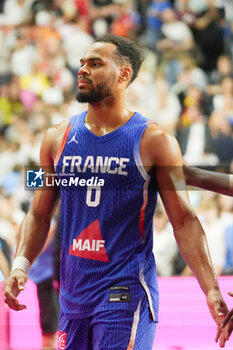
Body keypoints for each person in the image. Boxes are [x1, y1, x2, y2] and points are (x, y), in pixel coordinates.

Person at [3, 34, 230, 349]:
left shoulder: (154, 140)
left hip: (125, 291)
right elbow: (39, 214)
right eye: (82, 63)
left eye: (95, 64)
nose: (82, 70)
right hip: (72, 295)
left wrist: (211, 289)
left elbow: (184, 221)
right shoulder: (56, 138)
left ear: (124, 74)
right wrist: (20, 264)